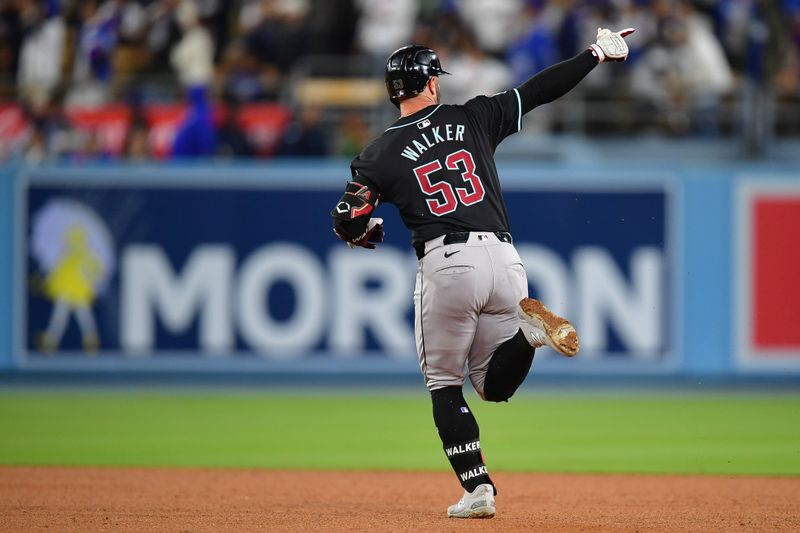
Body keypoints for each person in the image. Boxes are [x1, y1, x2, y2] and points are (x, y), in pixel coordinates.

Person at [330, 28, 635, 519]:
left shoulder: (379, 154)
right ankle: (530, 335)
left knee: (444, 385)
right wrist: (595, 54)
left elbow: (347, 216)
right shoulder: (471, 116)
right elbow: (538, 91)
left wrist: (362, 234)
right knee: (493, 387)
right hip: (505, 260)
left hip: (446, 263)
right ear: (430, 83)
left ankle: (479, 492)